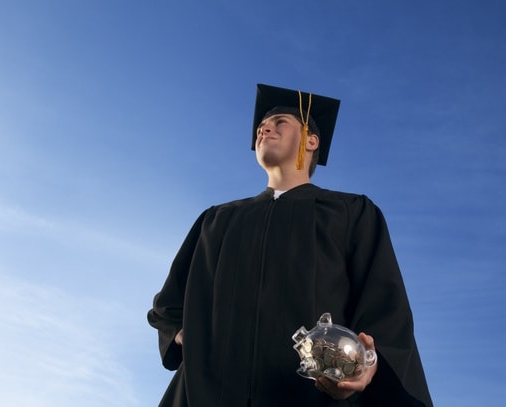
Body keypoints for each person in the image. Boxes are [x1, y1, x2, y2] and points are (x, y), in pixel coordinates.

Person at [147, 83, 433, 406]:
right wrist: (194, 342)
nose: (264, 128)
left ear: (312, 141)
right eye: (260, 127)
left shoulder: (351, 214)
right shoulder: (216, 222)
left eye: (280, 122)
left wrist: (367, 363)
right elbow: (168, 310)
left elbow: (386, 312)